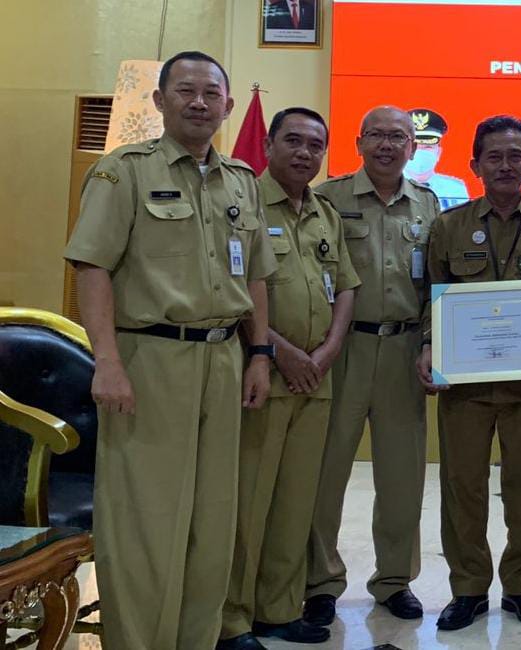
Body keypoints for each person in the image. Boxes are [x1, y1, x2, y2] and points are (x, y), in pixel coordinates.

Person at [63, 50, 275, 649]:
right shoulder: (122, 172)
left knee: (212, 523)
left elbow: (254, 277)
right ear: (159, 101)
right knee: (145, 522)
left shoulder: (241, 181)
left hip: (224, 360)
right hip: (148, 360)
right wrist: (106, 361)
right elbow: (92, 266)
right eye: (185, 90)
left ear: (229, 106)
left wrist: (260, 353)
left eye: (211, 93)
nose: (199, 101)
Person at [417, 114, 521, 631]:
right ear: (476, 165)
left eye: (516, 155)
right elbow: (433, 300)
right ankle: (468, 588)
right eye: (495, 156)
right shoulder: (449, 224)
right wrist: (429, 346)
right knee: (461, 487)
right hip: (464, 387)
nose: (506, 165)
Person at [219, 108, 360, 649]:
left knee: (295, 503)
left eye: (315, 145)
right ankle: (233, 617)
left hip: (315, 380)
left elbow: (345, 285)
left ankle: (278, 610)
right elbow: (232, 290)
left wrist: (327, 350)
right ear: (270, 144)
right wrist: (280, 351)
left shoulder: (323, 211)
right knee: (249, 504)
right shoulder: (241, 205)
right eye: (293, 141)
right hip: (262, 377)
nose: (305, 153)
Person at [303, 106, 439, 625]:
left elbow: (435, 289)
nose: (387, 145)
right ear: (358, 142)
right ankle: (319, 580)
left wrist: (430, 344)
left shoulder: (428, 206)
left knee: (403, 477)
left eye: (398, 136)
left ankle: (394, 580)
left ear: (412, 146)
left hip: (404, 352)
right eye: (378, 135)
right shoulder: (328, 199)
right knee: (325, 471)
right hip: (341, 352)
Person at [405, 108, 470, 209]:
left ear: (438, 152)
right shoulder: (383, 187)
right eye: (415, 147)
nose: (420, 152)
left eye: (428, 147)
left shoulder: (455, 189)